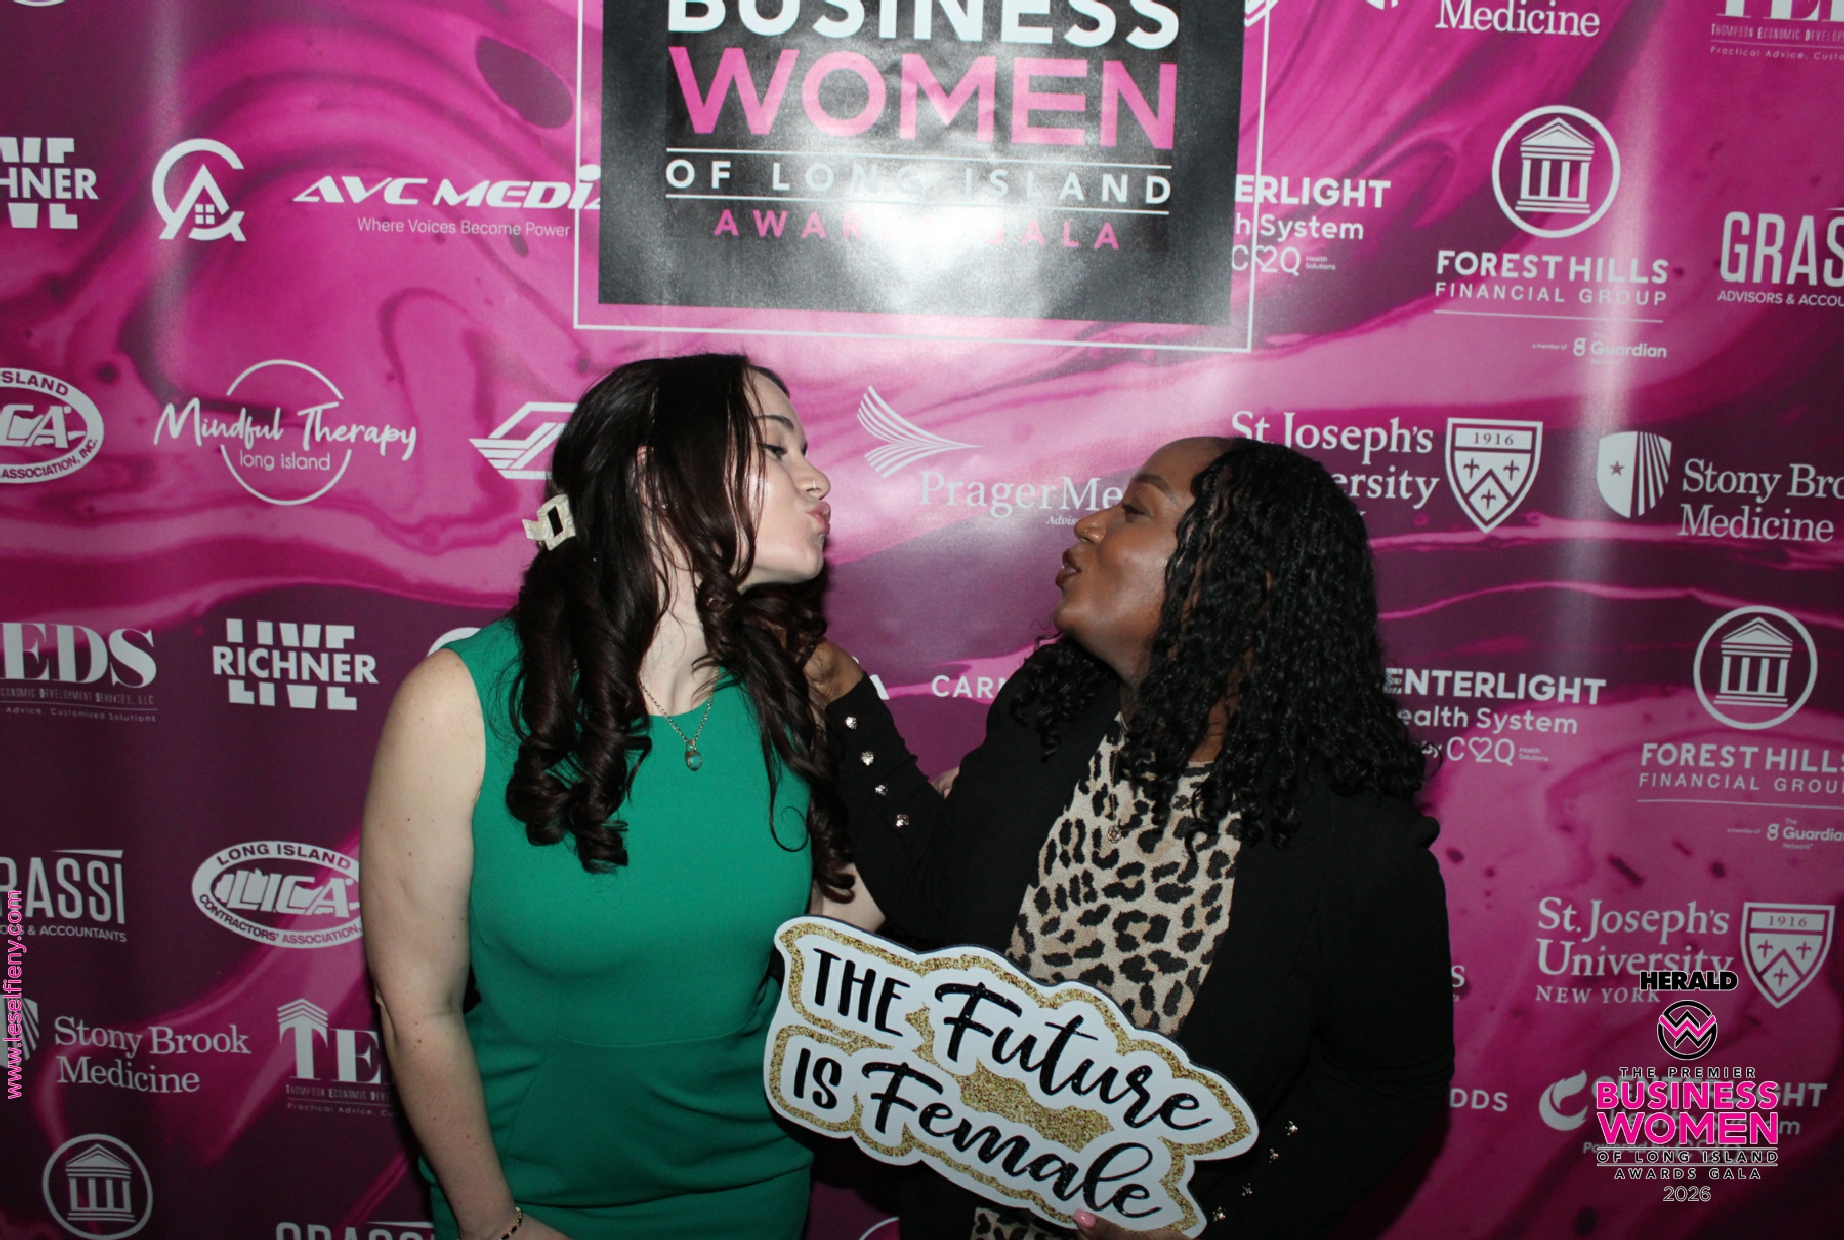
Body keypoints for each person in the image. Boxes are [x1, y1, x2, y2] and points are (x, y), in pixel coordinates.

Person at [809, 436, 1454, 1240]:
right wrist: (847, 704)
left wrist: (1216, 1227)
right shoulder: (1044, 721)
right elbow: (935, 897)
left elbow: (1385, 1084)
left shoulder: (1356, 852)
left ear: (1239, 578)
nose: (1089, 524)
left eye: (1135, 510)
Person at [361, 354, 849, 1240]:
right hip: (532, 1200)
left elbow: (820, 931)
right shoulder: (460, 703)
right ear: (655, 481)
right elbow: (415, 1005)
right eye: (776, 449)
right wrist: (494, 1224)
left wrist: (964, 815)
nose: (816, 480)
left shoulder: (793, 697)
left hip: (752, 1187)